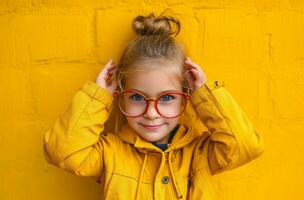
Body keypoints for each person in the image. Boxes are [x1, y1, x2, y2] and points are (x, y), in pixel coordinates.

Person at [43, 12, 264, 200]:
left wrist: (204, 95)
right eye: (138, 97)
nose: (151, 113)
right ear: (121, 96)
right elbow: (62, 152)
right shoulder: (110, 152)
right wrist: (98, 96)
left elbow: (245, 146)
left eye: (167, 98)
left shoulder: (200, 154)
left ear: (185, 98)